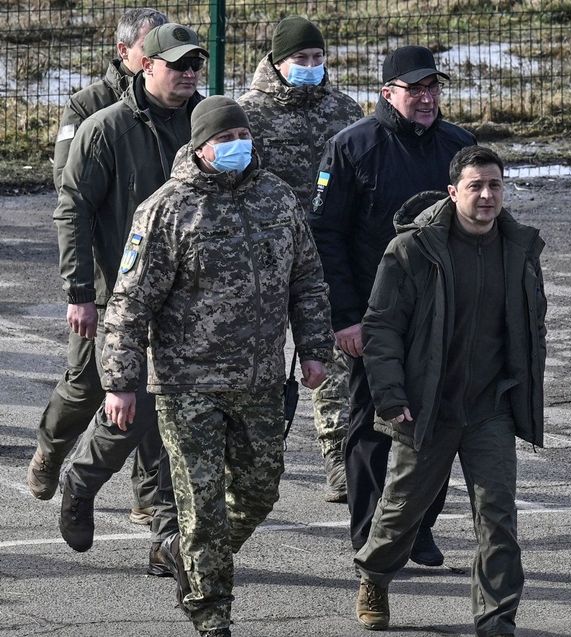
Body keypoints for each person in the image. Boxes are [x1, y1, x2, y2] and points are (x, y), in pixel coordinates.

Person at [100, 96, 333, 637]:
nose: (237, 147)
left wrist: (316, 348)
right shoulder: (167, 208)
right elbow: (130, 302)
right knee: (202, 505)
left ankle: (181, 552)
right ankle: (210, 612)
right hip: (188, 383)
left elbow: (308, 279)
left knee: (260, 490)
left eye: (242, 137)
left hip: (259, 379)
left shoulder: (276, 198)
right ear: (200, 147)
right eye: (224, 140)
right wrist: (120, 382)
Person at [353, 146, 546, 635]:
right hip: (427, 406)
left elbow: (529, 325)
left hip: (490, 407)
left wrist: (521, 393)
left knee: (498, 516)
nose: (486, 196)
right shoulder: (413, 249)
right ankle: (375, 574)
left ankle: (496, 616)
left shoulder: (519, 247)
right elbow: (381, 327)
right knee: (403, 510)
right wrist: (391, 396)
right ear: (452, 191)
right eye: (476, 186)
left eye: (495, 185)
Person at [47, 22, 207, 575]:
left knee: (177, 418)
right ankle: (80, 477)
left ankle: (167, 536)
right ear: (145, 65)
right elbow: (73, 209)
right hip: (125, 298)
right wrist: (81, 292)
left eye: (196, 67)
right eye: (178, 65)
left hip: (192, 305)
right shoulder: (104, 128)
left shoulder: (207, 125)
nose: (189, 76)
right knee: (125, 410)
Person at [309, 44, 475, 565]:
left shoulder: (459, 145)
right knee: (371, 428)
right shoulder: (352, 146)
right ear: (387, 93)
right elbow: (327, 235)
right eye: (415, 89)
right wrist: (345, 318)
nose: (427, 99)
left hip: (445, 313)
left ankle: (417, 528)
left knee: (438, 424)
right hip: (374, 314)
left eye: (433, 88)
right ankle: (369, 535)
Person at [31, 7, 168, 530]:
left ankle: (151, 497)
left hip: (162, 281)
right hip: (108, 280)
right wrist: (81, 288)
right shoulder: (90, 108)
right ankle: (51, 447)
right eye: (152, 48)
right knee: (89, 383)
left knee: (156, 387)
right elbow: (73, 201)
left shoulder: (182, 107)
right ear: (125, 53)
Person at [237, 15, 363, 503]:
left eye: (317, 58)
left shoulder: (343, 109)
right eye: (299, 59)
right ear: (277, 61)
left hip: (326, 252)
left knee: (329, 355)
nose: (310, 67)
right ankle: (248, 457)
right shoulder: (250, 113)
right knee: (260, 358)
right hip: (267, 253)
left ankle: (339, 459)